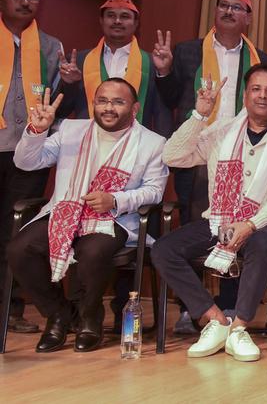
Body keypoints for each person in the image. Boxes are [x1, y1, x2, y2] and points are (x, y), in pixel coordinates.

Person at [152, 64, 267, 362]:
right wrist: (199, 116)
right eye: (256, 89)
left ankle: (239, 327)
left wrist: (251, 223)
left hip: (263, 223)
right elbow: (172, 156)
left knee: (261, 244)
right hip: (218, 221)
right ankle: (215, 319)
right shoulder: (221, 131)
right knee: (163, 250)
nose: (262, 96)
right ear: (244, 96)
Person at [8, 80, 167, 352]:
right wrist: (37, 131)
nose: (108, 108)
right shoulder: (71, 130)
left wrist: (115, 200)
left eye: (118, 102)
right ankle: (59, 315)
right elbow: (26, 162)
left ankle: (90, 319)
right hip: (65, 211)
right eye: (102, 101)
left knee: (93, 251)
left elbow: (154, 191)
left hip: (113, 219)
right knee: (19, 249)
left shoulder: (152, 143)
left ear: (135, 108)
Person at [151, 0, 267, 334]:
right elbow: (171, 98)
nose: (229, 11)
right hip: (198, 153)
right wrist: (163, 71)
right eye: (224, 5)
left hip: (243, 156)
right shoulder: (188, 51)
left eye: (237, 7)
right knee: (196, 230)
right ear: (215, 11)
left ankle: (231, 305)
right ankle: (193, 309)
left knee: (238, 228)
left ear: (248, 17)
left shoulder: (262, 60)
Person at [0, 0, 64, 333]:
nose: (24, 2)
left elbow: (57, 100)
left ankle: (10, 310)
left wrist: (69, 84)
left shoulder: (50, 47)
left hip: (28, 151)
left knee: (14, 231)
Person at [54, 0, 169, 135]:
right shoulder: (80, 61)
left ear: (136, 23)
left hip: (134, 144)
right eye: (111, 15)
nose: (117, 21)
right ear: (101, 21)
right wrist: (70, 84)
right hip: (86, 141)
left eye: (125, 16)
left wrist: (164, 145)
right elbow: (61, 111)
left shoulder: (152, 63)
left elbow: (161, 114)